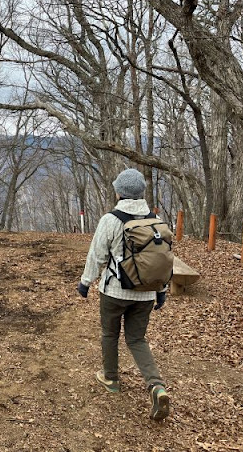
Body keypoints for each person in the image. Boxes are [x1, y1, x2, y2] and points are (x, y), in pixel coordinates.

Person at [77, 168, 170, 421]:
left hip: (115, 291)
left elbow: (97, 255)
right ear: (141, 193)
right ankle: (156, 385)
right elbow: (162, 261)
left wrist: (86, 282)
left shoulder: (112, 219)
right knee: (137, 340)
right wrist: (161, 291)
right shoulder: (155, 221)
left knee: (110, 333)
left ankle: (110, 378)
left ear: (119, 192)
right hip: (145, 294)